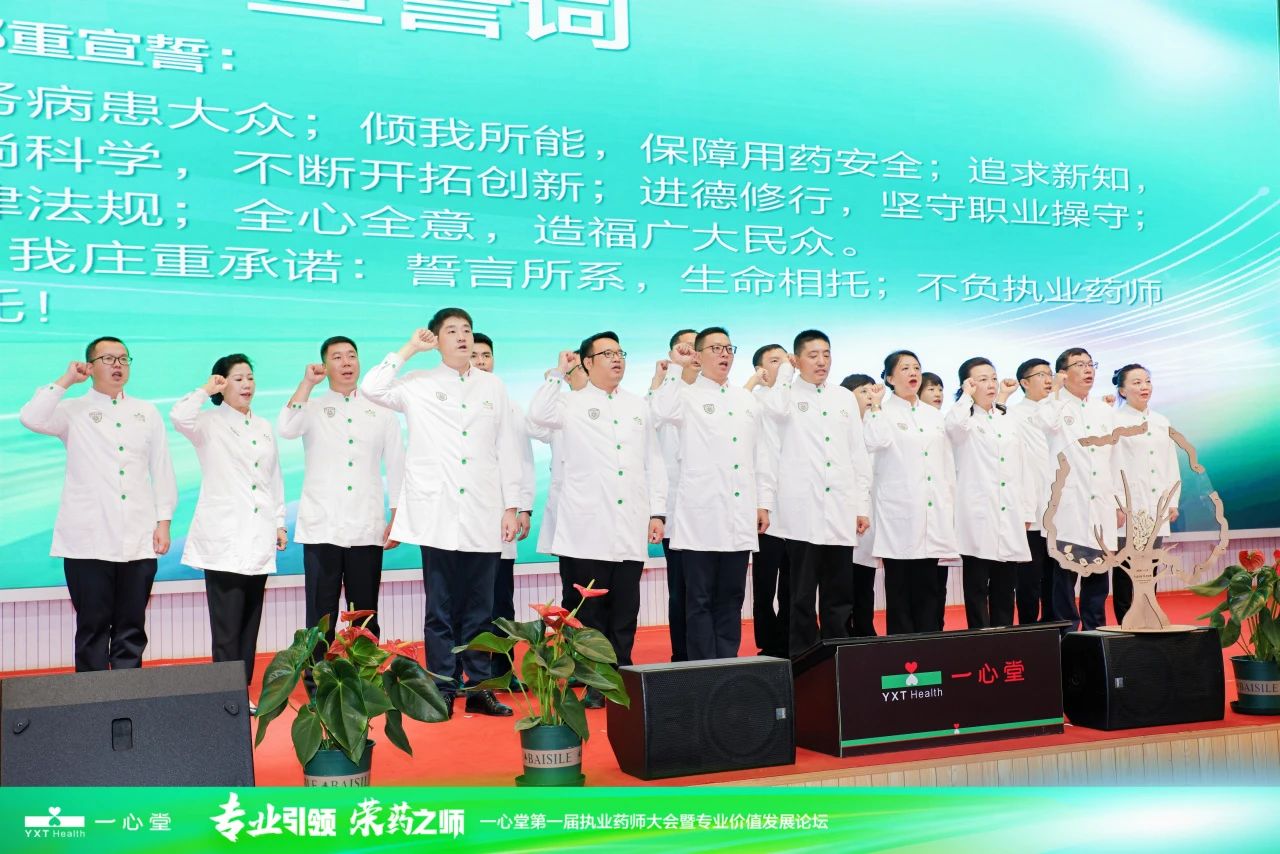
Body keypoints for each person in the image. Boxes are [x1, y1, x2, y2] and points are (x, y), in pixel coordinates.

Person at [360, 308, 523, 718]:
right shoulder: (418, 382)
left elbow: (507, 448)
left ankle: (480, 688)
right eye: (452, 331)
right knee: (441, 608)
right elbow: (371, 387)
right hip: (437, 513)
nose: (462, 337)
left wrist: (511, 506)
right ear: (437, 340)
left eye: (467, 330)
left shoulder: (494, 386)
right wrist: (409, 349)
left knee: (481, 609)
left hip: (484, 510)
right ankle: (443, 686)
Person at [19, 337, 177, 672]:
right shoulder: (71, 410)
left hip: (138, 538)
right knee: (92, 627)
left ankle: (128, 695)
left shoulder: (146, 411)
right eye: (108, 359)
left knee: (131, 628)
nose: (118, 365)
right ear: (90, 367)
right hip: (87, 541)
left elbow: (161, 468)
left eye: (124, 359)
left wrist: (163, 521)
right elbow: (31, 417)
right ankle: (91, 699)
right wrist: (66, 380)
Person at [528, 333, 666, 707]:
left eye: (620, 352)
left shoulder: (638, 405)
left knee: (625, 608)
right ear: (587, 362)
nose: (617, 359)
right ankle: (591, 678)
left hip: (630, 523)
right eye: (607, 354)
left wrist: (657, 512)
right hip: (585, 527)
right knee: (589, 611)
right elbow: (536, 416)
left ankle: (618, 676)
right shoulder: (568, 403)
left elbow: (653, 461)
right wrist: (557, 374)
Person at [277, 335, 404, 691]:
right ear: (325, 364)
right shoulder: (312, 406)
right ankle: (318, 680)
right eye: (337, 357)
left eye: (351, 355)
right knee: (321, 612)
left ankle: (365, 677)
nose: (346, 362)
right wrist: (306, 384)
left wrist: (398, 516)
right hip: (322, 526)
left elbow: (397, 465)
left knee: (365, 610)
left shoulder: (381, 410)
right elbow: (286, 428)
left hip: (367, 525)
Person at [650, 327, 770, 660]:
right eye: (715, 348)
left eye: (728, 348)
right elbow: (660, 411)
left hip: (739, 516)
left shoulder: (746, 399)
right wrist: (676, 368)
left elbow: (760, 456)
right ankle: (703, 669)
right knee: (699, 600)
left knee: (731, 598)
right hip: (699, 517)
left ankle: (727, 665)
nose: (724, 354)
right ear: (699, 355)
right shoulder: (685, 395)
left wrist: (763, 502)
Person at [170, 355, 286, 689]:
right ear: (222, 383)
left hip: (259, 535)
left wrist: (279, 521)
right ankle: (224, 697)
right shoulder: (207, 422)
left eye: (250, 377)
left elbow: (273, 478)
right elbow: (178, 415)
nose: (247, 384)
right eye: (238, 378)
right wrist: (206, 389)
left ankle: (241, 692)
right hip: (224, 539)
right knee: (227, 627)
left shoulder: (263, 426)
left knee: (250, 624)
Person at [762, 331, 871, 657]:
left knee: (839, 593)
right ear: (797, 360)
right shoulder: (783, 395)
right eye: (812, 355)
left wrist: (861, 505)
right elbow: (771, 437)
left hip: (840, 507)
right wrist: (785, 373)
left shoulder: (843, 398)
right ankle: (803, 660)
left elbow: (857, 454)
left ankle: (838, 657)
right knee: (801, 595)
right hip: (801, 511)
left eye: (826, 354)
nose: (821, 361)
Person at [862, 350, 958, 634]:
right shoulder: (881, 413)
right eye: (904, 368)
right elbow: (874, 441)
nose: (913, 372)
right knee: (900, 589)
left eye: (916, 367)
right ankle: (901, 649)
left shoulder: (934, 416)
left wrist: (948, 504)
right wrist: (875, 407)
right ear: (890, 378)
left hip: (932, 513)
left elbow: (946, 464)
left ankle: (929, 644)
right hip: (899, 514)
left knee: (929, 588)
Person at [1034, 347, 1120, 631]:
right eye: (1079, 365)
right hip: (1068, 507)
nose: (1088, 370)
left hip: (1101, 505)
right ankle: (1067, 636)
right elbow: (1045, 422)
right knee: (1065, 579)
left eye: (1090, 364)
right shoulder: (1053, 405)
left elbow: (1114, 457)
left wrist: (1119, 502)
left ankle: (1096, 634)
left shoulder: (1103, 409)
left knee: (1098, 579)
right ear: (1062, 373)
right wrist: (1056, 392)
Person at [946, 358, 1032, 629]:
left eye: (993, 378)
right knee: (976, 587)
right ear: (968, 384)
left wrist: (1026, 509)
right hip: (977, 514)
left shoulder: (1007, 418)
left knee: (1005, 587)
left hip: (1009, 511)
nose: (991, 384)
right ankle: (979, 637)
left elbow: (1022, 466)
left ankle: (1004, 636)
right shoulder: (964, 418)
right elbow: (954, 427)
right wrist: (965, 397)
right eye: (982, 379)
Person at [470, 332, 537, 676]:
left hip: (502, 518)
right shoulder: (454, 403)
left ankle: (501, 674)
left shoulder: (509, 405)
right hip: (466, 519)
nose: (481, 361)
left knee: (500, 601)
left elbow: (523, 459)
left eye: (486, 355)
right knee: (467, 603)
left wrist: (524, 506)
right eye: (474, 355)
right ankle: (469, 671)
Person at [1109, 363, 1180, 624]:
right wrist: (1116, 503)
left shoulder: (1161, 421)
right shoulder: (1113, 420)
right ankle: (1126, 625)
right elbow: (1110, 464)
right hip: (1129, 506)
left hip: (1156, 506)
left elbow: (1170, 463)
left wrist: (1172, 500)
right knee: (1127, 569)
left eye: (1147, 381)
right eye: (1137, 382)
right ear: (1122, 390)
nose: (1144, 387)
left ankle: (1150, 620)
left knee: (1151, 567)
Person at [649, 328, 697, 661]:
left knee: (708, 591)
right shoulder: (663, 394)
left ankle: (709, 657)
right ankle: (682, 657)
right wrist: (664, 378)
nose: (692, 354)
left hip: (711, 512)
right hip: (675, 512)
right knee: (681, 589)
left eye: (697, 347)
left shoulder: (718, 394)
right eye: (685, 348)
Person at [743, 342, 791, 658]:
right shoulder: (754, 399)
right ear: (760, 368)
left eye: (786, 360)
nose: (783, 366)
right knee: (765, 583)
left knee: (793, 583)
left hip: (797, 506)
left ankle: (789, 638)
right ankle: (768, 641)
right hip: (765, 504)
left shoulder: (798, 398)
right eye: (775, 361)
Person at [1010, 357, 1056, 623]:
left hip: (1058, 509)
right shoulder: (1013, 415)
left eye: (1050, 374)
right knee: (1029, 576)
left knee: (1056, 576)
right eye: (1041, 375)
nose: (1048, 380)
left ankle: (1055, 627)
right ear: (1024, 383)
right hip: (1031, 509)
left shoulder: (1060, 411)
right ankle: (1029, 629)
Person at [839, 373, 880, 637]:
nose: (869, 396)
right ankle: (843, 631)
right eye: (863, 391)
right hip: (846, 512)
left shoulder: (877, 424)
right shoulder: (840, 428)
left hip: (871, 513)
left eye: (871, 391)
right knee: (843, 582)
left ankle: (864, 629)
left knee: (866, 580)